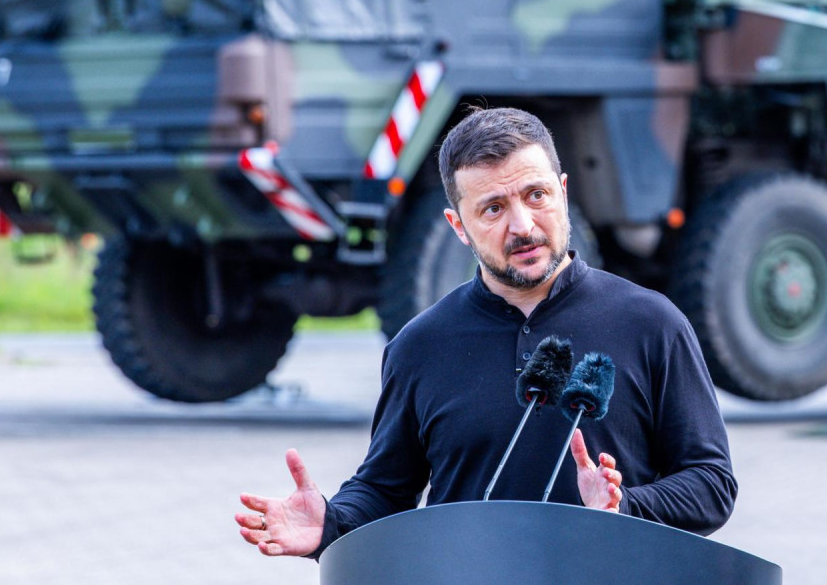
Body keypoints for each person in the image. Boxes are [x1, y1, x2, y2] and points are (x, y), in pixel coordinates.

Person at [236, 107, 736, 559]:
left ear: (563, 192)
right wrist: (331, 522)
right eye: (493, 208)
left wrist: (625, 506)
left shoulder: (651, 324)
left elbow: (711, 484)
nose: (522, 224)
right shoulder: (420, 347)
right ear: (459, 225)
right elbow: (387, 488)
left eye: (536, 195)